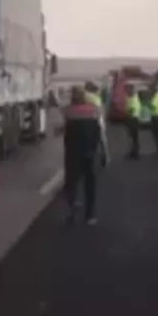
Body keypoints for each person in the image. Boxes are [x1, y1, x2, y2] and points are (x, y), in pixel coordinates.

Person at [60, 85, 108, 225]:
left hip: (73, 153)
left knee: (71, 183)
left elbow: (63, 127)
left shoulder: (68, 111)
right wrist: (105, 152)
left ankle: (73, 206)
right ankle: (90, 215)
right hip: (91, 152)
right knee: (90, 184)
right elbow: (101, 133)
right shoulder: (95, 110)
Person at [125, 85, 142, 159]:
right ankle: (134, 152)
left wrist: (127, 111)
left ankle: (135, 153)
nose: (127, 92)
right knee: (133, 137)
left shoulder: (134, 98)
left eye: (129, 90)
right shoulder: (132, 98)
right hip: (133, 118)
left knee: (134, 137)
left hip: (133, 119)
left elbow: (132, 109)